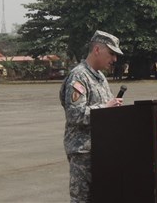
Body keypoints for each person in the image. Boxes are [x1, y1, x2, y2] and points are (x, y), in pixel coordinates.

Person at [59, 30, 124, 203]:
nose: (114, 59)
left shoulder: (100, 77)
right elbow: (75, 114)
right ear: (97, 50)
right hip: (83, 153)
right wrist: (106, 107)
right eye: (111, 53)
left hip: (102, 151)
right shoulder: (79, 76)